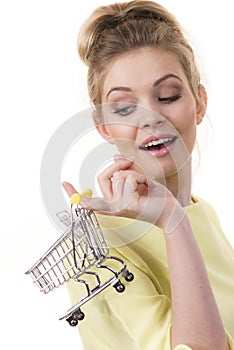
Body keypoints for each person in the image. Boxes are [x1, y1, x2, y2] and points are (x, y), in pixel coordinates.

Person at [62, 1, 234, 349]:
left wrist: (177, 217)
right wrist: (171, 221)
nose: (150, 117)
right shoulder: (96, 248)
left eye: (168, 96)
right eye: (125, 108)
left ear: (200, 103)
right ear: (104, 126)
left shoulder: (204, 213)